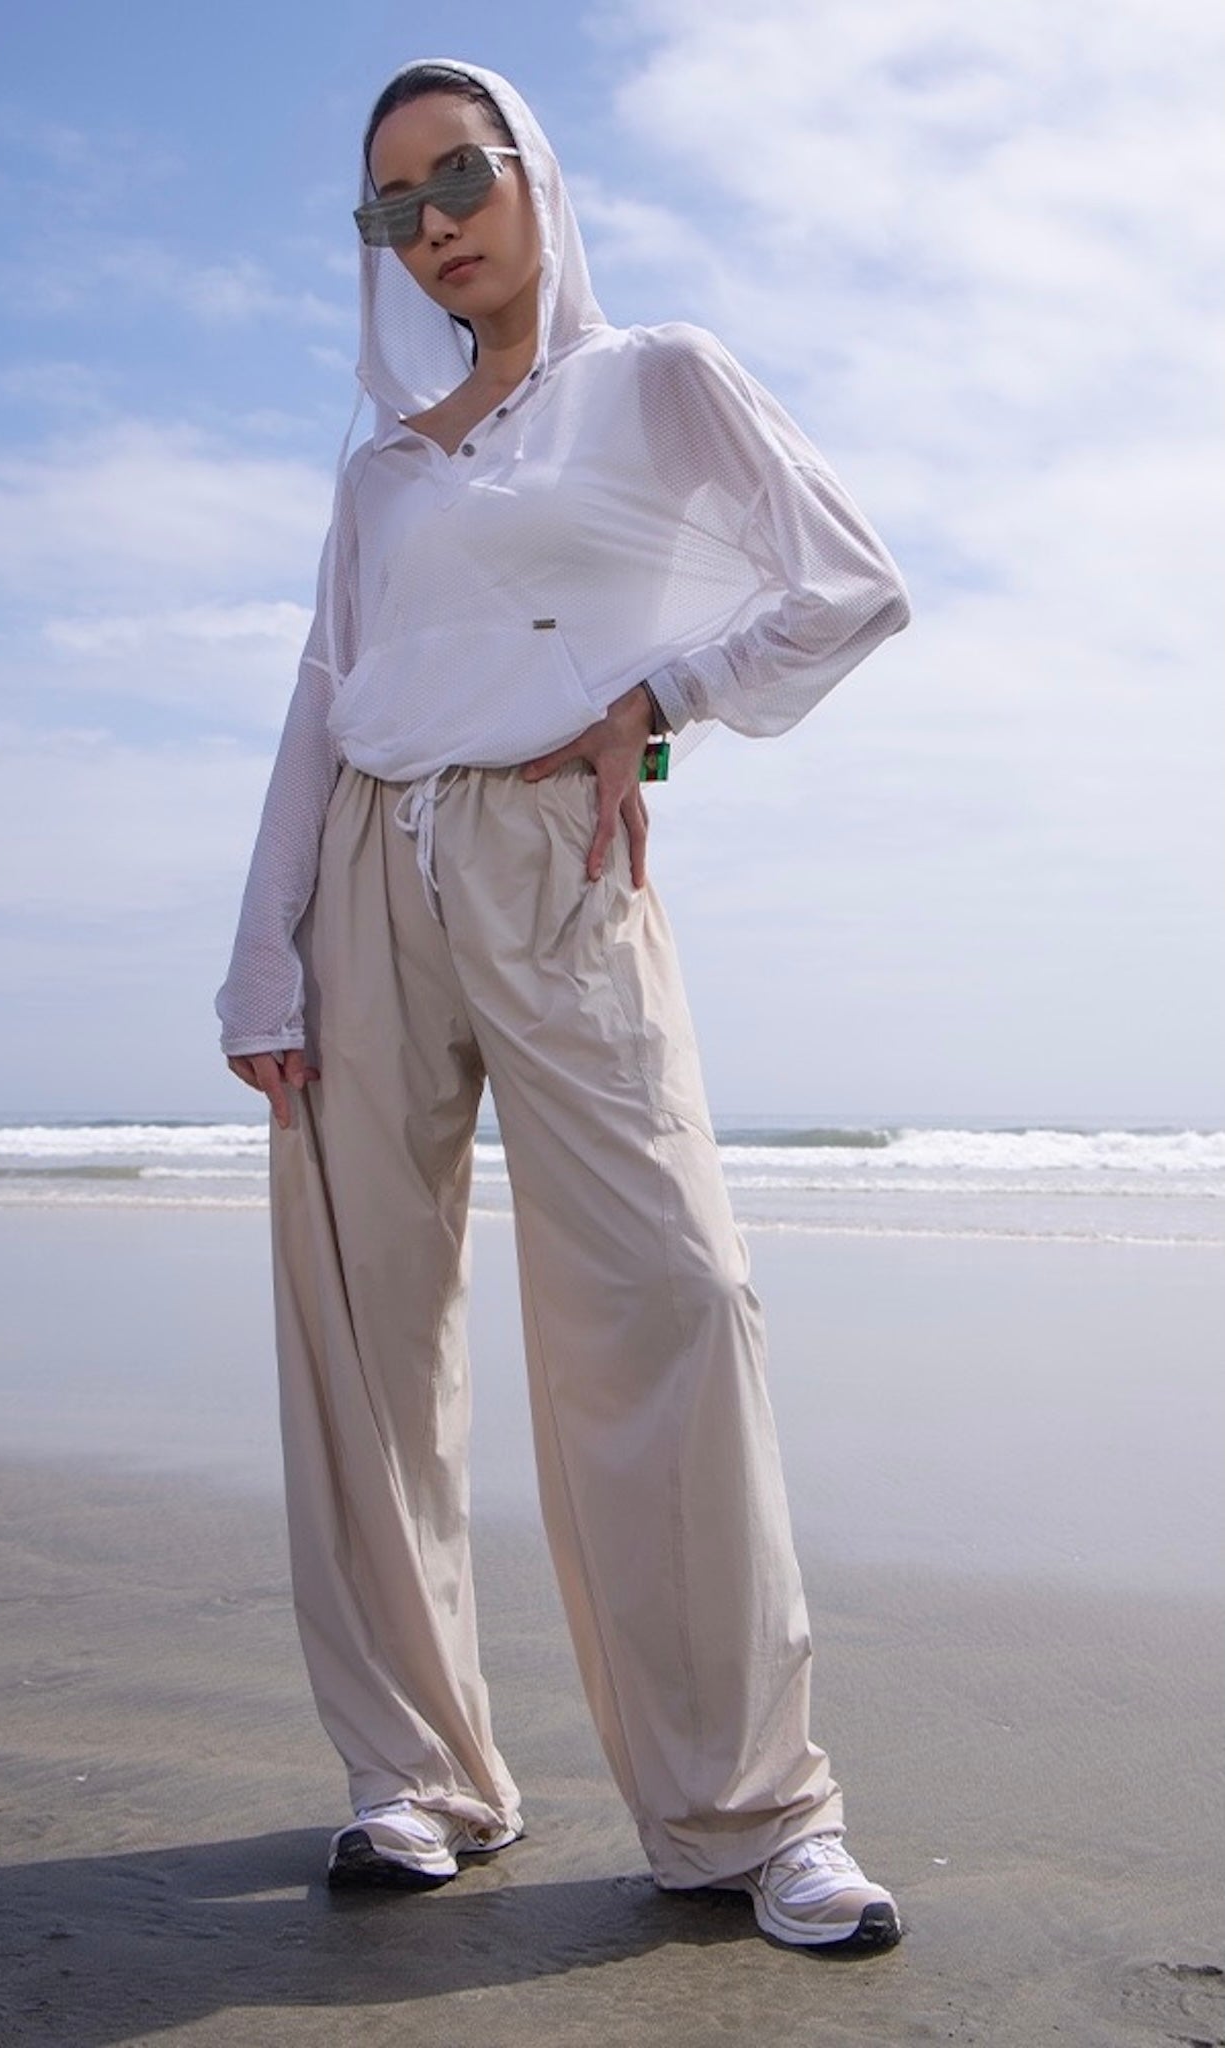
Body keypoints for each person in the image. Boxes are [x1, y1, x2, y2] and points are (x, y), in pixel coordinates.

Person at [218, 57, 910, 1953]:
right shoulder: (379, 467)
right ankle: (416, 1774)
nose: (433, 225)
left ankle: (748, 1813)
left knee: (674, 1300)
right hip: (364, 873)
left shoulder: (656, 379)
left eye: (461, 177)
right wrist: (262, 945)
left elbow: (847, 586)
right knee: (365, 1337)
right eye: (392, 207)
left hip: (555, 855)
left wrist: (656, 704)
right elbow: (321, 699)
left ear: (534, 176)